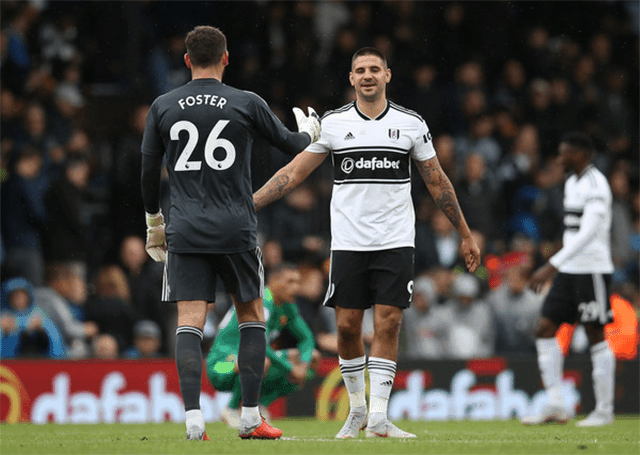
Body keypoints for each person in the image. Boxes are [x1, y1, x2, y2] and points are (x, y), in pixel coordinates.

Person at [253, 47, 480, 439]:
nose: (368, 75)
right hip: (348, 243)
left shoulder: (410, 124)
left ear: (388, 75)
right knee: (346, 327)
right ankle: (357, 409)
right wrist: (250, 203)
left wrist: (464, 232)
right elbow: (294, 171)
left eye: (375, 69)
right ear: (352, 78)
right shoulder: (334, 124)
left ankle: (378, 418)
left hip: (395, 242)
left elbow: (437, 180)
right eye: (361, 70)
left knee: (389, 322)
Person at [139, 25, 320, 441]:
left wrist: (154, 222)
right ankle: (251, 417)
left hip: (184, 228)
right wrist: (310, 132)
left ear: (186, 61)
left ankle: (192, 421)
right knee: (252, 316)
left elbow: (148, 171)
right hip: (237, 227)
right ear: (226, 58)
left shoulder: (163, 106)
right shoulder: (246, 102)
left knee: (189, 323)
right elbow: (291, 144)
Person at [523, 132, 616, 427]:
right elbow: (572, 233)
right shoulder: (572, 183)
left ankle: (604, 410)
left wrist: (550, 266)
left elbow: (588, 233)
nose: (560, 158)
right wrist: (559, 264)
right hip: (569, 270)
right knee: (544, 328)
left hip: (592, 270)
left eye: (565, 154)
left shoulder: (596, 185)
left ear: (581, 154)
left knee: (594, 334)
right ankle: (555, 404)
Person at [207, 262, 319, 429]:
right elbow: (260, 346)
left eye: (297, 282)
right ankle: (231, 409)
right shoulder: (262, 302)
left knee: (314, 358)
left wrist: (302, 364)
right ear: (273, 281)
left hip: (249, 358)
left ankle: (260, 405)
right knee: (260, 360)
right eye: (290, 282)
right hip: (221, 364)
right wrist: (291, 368)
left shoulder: (287, 306)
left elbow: (307, 338)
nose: (295, 288)